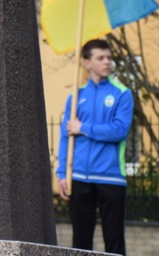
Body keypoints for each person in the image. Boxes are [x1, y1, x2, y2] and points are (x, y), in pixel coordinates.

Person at [55, 38, 133, 255]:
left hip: (111, 176)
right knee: (80, 239)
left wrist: (84, 128)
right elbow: (65, 136)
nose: (107, 62)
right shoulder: (75, 97)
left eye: (109, 58)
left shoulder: (122, 94)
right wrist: (62, 173)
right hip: (79, 176)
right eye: (100, 58)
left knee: (114, 239)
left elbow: (119, 130)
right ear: (87, 63)